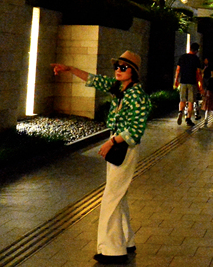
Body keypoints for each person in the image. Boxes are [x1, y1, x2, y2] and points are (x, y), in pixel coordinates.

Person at [51, 51, 151, 265]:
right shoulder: (119, 88)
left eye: (123, 67)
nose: (118, 70)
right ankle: (127, 240)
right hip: (117, 145)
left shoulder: (138, 96)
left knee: (111, 198)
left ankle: (112, 250)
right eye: (117, 66)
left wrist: (111, 142)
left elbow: (136, 129)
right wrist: (69, 69)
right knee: (118, 194)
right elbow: (93, 79)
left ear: (133, 72)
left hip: (124, 148)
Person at [174, 42, 202, 127]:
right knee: (190, 102)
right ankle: (188, 119)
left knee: (182, 100)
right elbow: (198, 73)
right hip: (192, 83)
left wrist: (176, 80)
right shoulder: (196, 59)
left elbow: (178, 69)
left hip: (183, 82)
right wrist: (200, 85)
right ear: (196, 50)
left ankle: (180, 111)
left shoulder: (182, 57)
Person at [201, 58, 213, 128]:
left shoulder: (208, 68)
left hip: (207, 89)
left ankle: (206, 119)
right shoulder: (211, 81)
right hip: (210, 90)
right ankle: (212, 118)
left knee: (207, 106)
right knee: (212, 106)